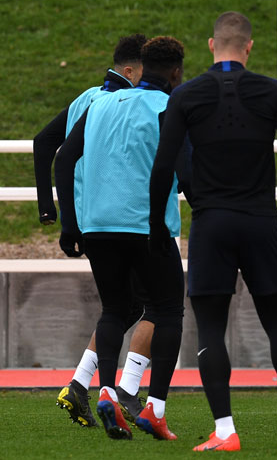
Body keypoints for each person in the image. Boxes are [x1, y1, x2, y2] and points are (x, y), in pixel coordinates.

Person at [148, 11, 277, 451]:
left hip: (211, 222)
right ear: (248, 47)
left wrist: (156, 228)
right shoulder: (271, 91)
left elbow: (164, 165)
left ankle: (225, 430)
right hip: (259, 219)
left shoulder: (186, 94)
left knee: (210, 327)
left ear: (212, 45)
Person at [55, 36, 187, 441]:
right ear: (177, 72)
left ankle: (107, 391)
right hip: (147, 228)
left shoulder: (100, 103)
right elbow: (180, 168)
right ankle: (155, 408)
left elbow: (62, 157)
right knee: (168, 311)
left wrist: (69, 224)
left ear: (139, 67)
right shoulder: (168, 106)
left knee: (114, 310)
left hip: (97, 226)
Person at [33, 33, 155, 428]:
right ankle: (125, 392)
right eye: (145, 73)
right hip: (119, 217)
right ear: (131, 70)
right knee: (153, 303)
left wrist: (49, 209)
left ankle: (80, 384)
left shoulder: (86, 97)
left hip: (86, 220)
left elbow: (42, 143)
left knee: (122, 306)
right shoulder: (124, 102)